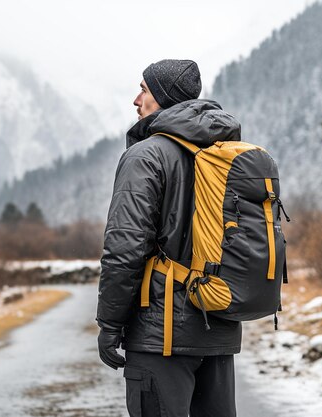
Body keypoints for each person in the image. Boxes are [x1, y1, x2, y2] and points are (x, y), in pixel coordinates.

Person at [96, 59, 242, 417]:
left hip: (162, 336)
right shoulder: (223, 153)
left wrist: (110, 323)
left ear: (162, 97)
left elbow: (124, 247)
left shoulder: (146, 155)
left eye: (143, 89)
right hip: (218, 326)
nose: (136, 100)